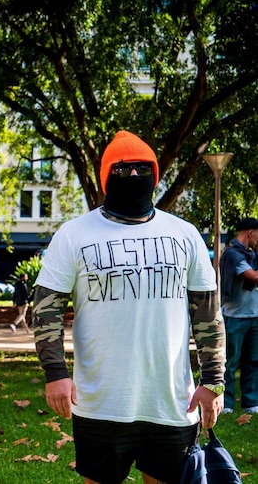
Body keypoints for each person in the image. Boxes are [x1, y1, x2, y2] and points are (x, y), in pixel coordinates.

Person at [31, 130, 226, 484]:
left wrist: (213, 382)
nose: (134, 176)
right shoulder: (74, 234)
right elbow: (46, 308)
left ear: (154, 172)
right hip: (101, 400)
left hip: (170, 401)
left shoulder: (184, 234)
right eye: (123, 170)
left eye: (142, 168)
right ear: (106, 177)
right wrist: (55, 373)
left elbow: (208, 313)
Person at [219, 216, 258, 414]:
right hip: (235, 317)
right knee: (230, 362)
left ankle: (250, 402)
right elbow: (253, 277)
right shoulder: (233, 255)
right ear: (250, 232)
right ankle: (226, 403)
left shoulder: (251, 255)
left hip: (254, 316)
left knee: (253, 360)